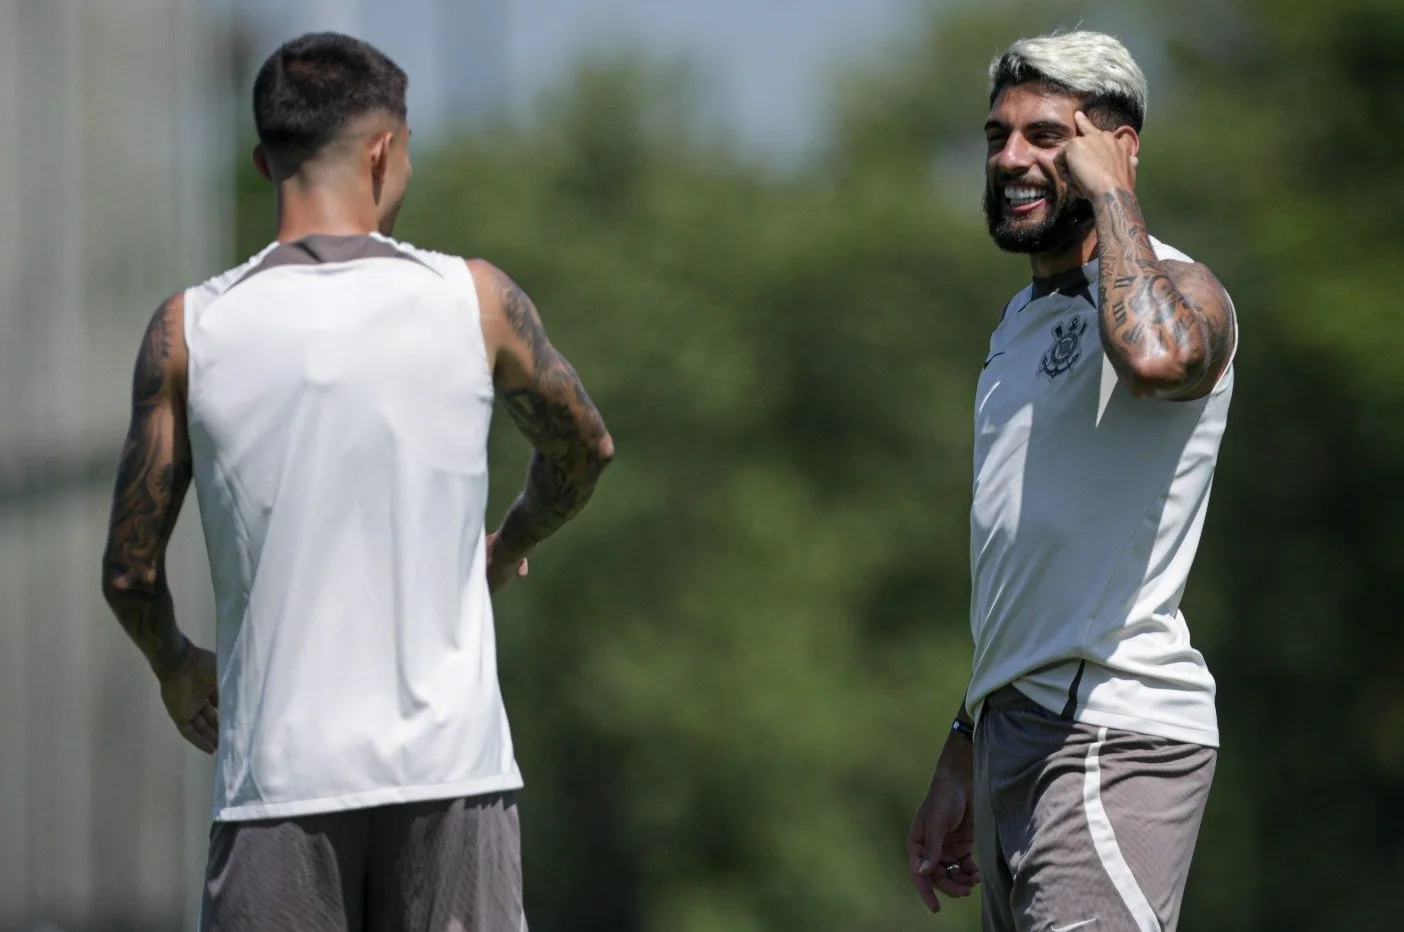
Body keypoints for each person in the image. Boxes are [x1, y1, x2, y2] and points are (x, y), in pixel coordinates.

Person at [99, 31, 613, 931]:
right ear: (384, 150)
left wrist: (177, 667)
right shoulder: (477, 301)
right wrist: (508, 543)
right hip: (454, 781)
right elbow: (584, 451)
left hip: (277, 790)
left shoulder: (189, 330)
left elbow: (130, 573)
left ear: (265, 163)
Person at [905, 30, 1236, 932]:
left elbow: (1157, 360)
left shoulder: (1182, 290)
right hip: (1018, 733)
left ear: (1116, 146)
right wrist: (965, 743)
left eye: (1048, 136)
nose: (1011, 158)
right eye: (997, 136)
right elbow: (1033, 566)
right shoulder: (1016, 321)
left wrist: (1113, 197)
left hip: (1109, 737)